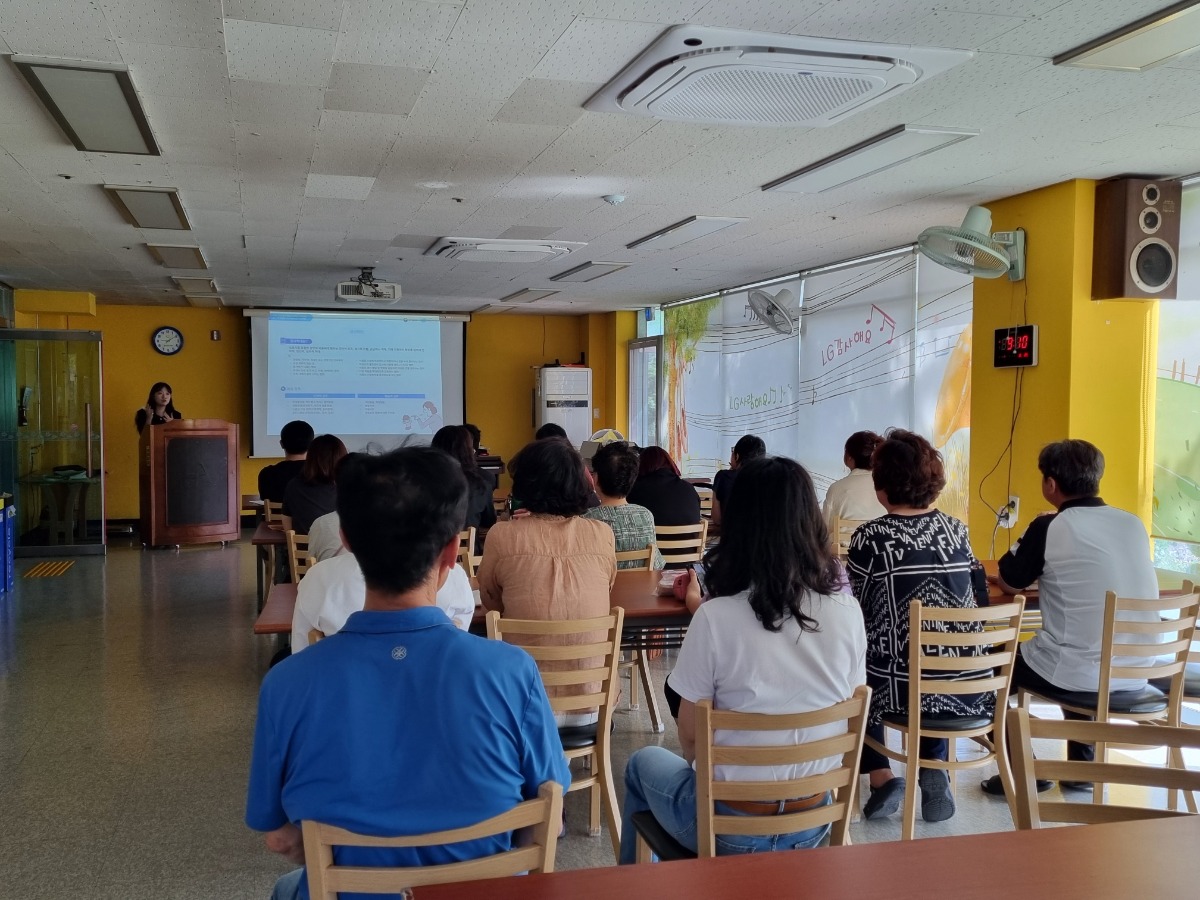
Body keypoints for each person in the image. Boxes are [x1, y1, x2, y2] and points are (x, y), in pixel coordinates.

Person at [246, 447, 570, 900]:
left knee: (288, 888)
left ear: (346, 539)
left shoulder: (287, 683)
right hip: (484, 890)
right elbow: (549, 818)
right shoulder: (512, 671)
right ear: (452, 550)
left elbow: (277, 834)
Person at [620, 455, 866, 864]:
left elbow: (692, 742)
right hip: (815, 822)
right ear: (811, 522)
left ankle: (637, 883)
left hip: (726, 829)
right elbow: (850, 703)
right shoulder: (847, 612)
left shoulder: (716, 618)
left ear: (740, 525)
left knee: (641, 762)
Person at [980, 439, 1161, 796]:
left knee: (980, 672)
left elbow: (1011, 581)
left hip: (1080, 669)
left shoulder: (1050, 527)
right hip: (1137, 668)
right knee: (1084, 641)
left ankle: (1023, 771)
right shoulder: (1132, 523)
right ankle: (1081, 767)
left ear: (1050, 484)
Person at [846, 429, 989, 824]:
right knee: (938, 655)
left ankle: (881, 776)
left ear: (881, 486)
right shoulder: (958, 531)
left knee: (859, 663)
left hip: (897, 690)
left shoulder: (870, 537)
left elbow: (854, 611)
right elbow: (977, 596)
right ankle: (933, 765)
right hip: (966, 687)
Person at [478, 438, 616, 725]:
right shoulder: (602, 534)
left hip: (521, 709)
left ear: (524, 484)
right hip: (593, 705)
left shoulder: (502, 536)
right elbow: (608, 587)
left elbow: (491, 602)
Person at [291, 547, 476, 651]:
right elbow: (459, 641)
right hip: (435, 697)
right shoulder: (454, 575)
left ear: (345, 535)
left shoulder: (319, 577)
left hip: (340, 700)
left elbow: (300, 650)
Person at [584, 441, 664, 570]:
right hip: (641, 589)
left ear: (595, 479)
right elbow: (656, 565)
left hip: (603, 589)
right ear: (632, 479)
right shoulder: (645, 515)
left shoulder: (587, 520)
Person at [432, 425, 497, 532]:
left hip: (430, 548)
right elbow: (489, 521)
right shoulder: (481, 485)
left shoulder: (421, 483)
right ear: (469, 451)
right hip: (468, 548)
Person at [281, 434, 347, 535]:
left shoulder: (294, 485)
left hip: (304, 549)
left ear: (310, 457)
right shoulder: (351, 486)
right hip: (343, 550)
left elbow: (287, 528)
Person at [821, 430, 886, 530]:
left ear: (849, 457)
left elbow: (825, 529)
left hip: (847, 545)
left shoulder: (837, 488)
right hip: (881, 544)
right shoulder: (886, 487)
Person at [626, 446, 702, 528]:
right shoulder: (689, 488)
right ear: (670, 463)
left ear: (640, 465)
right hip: (691, 540)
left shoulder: (634, 489)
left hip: (651, 540)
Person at [710, 434, 765, 526]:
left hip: (732, 537)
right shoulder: (768, 479)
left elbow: (717, 519)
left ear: (737, 456)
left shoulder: (723, 477)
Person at [257, 420, 314, 503]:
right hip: (312, 516)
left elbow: (264, 498)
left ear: (281, 444)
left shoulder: (267, 474)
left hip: (278, 516)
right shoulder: (320, 472)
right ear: (311, 445)